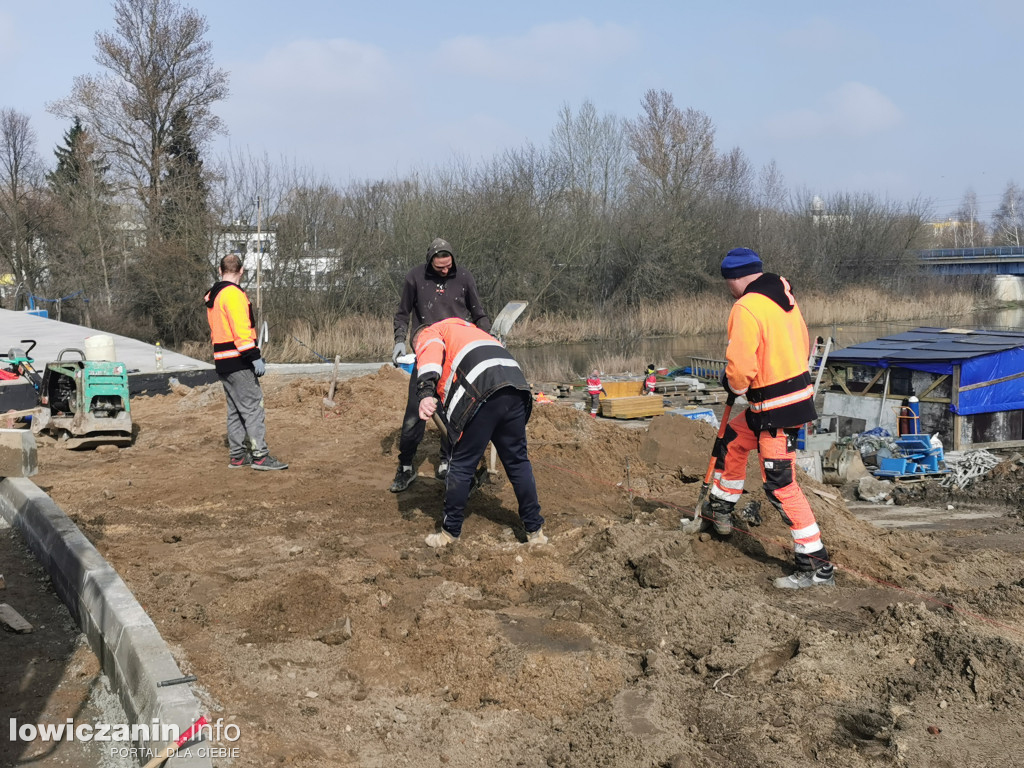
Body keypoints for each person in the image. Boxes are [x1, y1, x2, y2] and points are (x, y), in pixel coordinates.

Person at [706, 247, 834, 589]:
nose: (729, 290)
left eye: (727, 283)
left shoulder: (746, 306)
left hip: (777, 409)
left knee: (780, 483)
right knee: (733, 439)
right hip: (781, 401)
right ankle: (721, 506)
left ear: (735, 279)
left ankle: (816, 565)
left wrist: (734, 384)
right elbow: (802, 344)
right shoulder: (783, 297)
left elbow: (740, 367)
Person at [412, 317, 545, 547]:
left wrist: (425, 393)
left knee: (461, 464)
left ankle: (449, 533)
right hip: (516, 386)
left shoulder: (431, 331)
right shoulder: (470, 330)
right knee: (517, 462)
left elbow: (430, 351)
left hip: (481, 389)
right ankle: (535, 532)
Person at [389, 238, 491, 493]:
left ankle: (447, 461)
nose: (445, 271)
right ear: (430, 261)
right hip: (427, 354)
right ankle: (406, 466)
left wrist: (490, 338)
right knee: (416, 412)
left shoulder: (464, 277)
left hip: (456, 355)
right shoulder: (414, 277)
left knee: (453, 412)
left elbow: (479, 314)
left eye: (448, 267)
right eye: (439, 268)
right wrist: (399, 340)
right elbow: (402, 313)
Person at [204, 254, 288, 471]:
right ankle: (260, 456)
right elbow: (241, 330)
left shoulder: (215, 295)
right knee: (253, 408)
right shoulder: (234, 295)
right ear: (241, 271)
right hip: (238, 360)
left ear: (220, 270)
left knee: (235, 410)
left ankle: (238, 456)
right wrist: (254, 356)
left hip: (222, 361)